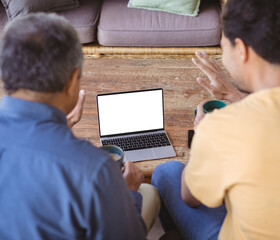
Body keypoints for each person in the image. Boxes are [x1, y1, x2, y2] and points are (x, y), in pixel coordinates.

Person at [151, 0, 280, 239]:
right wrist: (236, 96)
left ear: (241, 49)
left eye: (224, 45)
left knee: (166, 172)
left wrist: (202, 138)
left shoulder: (222, 129)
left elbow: (190, 198)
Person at [0, 13, 160, 239]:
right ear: (71, 80)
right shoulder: (94, 169)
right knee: (149, 192)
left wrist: (58, 129)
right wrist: (130, 193)